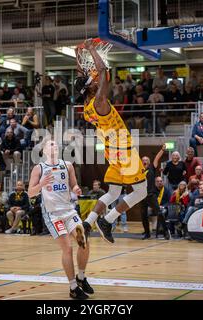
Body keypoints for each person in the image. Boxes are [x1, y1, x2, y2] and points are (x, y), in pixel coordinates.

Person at [74, 39, 147, 244]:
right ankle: (107, 220)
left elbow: (81, 78)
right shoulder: (99, 102)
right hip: (123, 148)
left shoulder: (87, 107)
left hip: (110, 149)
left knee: (114, 191)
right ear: (91, 88)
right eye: (94, 81)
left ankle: (87, 224)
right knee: (141, 191)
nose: (97, 80)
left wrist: (77, 55)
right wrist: (90, 49)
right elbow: (103, 70)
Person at [28, 140, 92, 300]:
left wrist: (76, 189)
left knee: (84, 242)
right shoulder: (39, 168)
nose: (54, 146)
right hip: (53, 214)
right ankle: (72, 287)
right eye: (50, 144)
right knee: (68, 249)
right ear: (43, 150)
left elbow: (74, 185)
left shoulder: (68, 165)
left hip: (69, 211)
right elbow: (30, 193)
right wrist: (41, 184)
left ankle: (81, 277)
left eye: (55, 144)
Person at [141, 145, 170, 240]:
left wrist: (162, 150)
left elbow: (157, 158)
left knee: (159, 213)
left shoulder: (152, 168)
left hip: (150, 194)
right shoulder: (139, 172)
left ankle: (166, 232)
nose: (145, 161)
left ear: (149, 162)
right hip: (141, 196)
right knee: (143, 215)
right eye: (143, 160)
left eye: (146, 160)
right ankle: (147, 233)